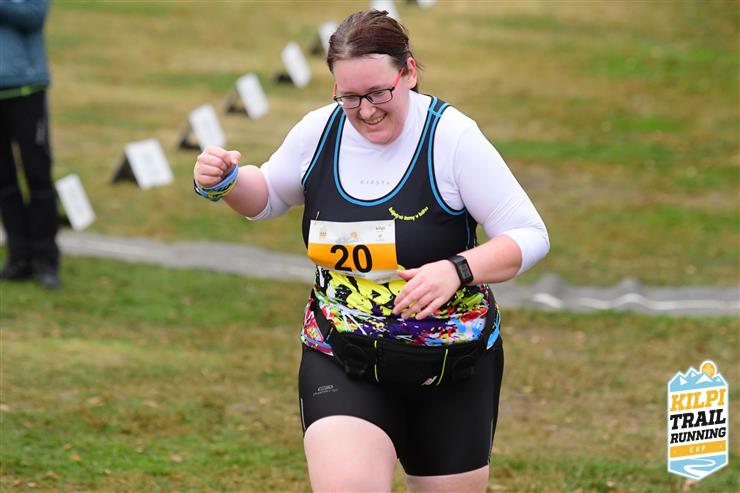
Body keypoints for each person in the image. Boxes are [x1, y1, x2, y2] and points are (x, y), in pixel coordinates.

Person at [194, 10, 548, 492]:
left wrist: (457, 269)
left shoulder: (452, 138)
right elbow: (269, 196)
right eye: (349, 97)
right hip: (343, 354)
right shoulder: (319, 131)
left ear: (410, 72)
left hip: (451, 364)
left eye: (379, 93)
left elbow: (529, 233)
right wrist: (226, 181)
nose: (365, 111)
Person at [0, 0, 60, 289]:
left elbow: (34, 15)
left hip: (26, 89)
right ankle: (18, 257)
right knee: (3, 180)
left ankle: (46, 259)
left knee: (38, 176)